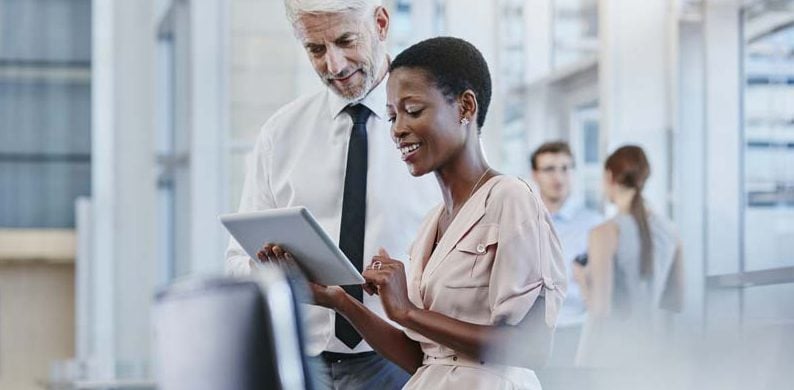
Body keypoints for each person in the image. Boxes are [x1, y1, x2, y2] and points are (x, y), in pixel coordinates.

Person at [262, 37, 567, 389]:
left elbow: (532, 349)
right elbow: (425, 359)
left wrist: (407, 311)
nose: (398, 129)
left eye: (414, 110)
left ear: (465, 107)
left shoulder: (510, 198)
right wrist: (340, 302)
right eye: (393, 115)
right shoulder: (432, 224)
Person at [225, 1, 438, 388]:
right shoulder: (280, 133)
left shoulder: (437, 127)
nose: (334, 66)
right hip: (303, 361)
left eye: (345, 40)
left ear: (381, 22)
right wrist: (269, 271)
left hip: (404, 359)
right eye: (316, 50)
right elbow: (238, 261)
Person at [573, 145, 684, 368]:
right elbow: (676, 302)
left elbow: (600, 310)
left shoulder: (605, 232)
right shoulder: (671, 231)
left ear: (609, 177)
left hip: (615, 355)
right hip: (656, 354)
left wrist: (582, 280)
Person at [530, 141, 601, 365]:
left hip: (576, 332)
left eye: (565, 168)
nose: (558, 177)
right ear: (535, 174)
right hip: (529, 334)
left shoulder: (594, 226)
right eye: (549, 169)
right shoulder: (522, 222)